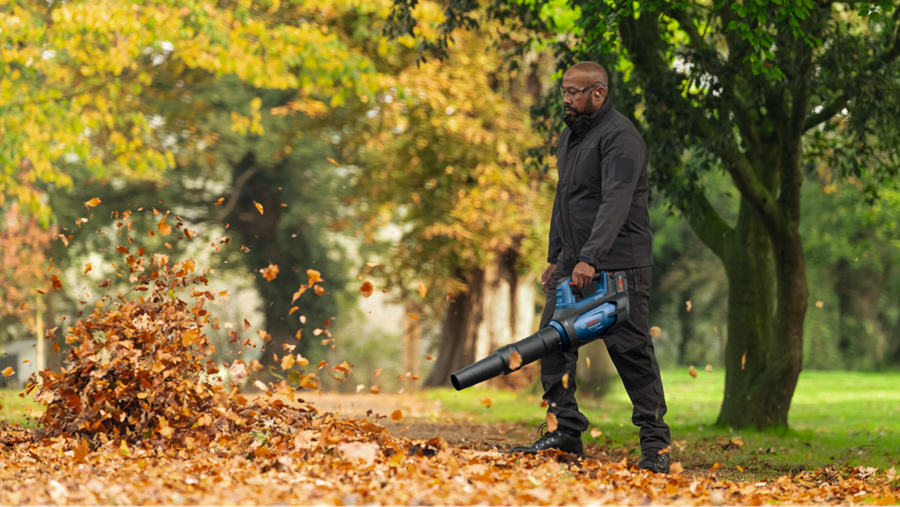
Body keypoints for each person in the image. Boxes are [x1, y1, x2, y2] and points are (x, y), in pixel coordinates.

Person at [508, 62, 671, 473]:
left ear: (598, 94)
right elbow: (565, 200)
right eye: (563, 91)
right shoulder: (569, 137)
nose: (565, 99)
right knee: (552, 346)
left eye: (574, 92)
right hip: (574, 263)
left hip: (619, 264)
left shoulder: (621, 137)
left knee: (632, 354)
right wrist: (556, 257)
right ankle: (564, 431)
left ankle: (656, 446)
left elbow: (616, 201)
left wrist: (591, 257)